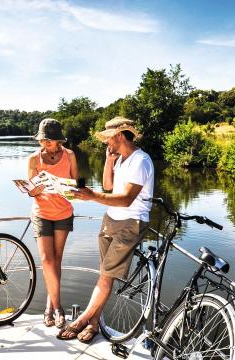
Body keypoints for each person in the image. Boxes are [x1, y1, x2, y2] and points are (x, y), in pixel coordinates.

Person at [58, 116, 154, 343]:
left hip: (131, 222)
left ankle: (82, 319)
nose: (105, 143)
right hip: (110, 219)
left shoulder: (141, 161)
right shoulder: (122, 159)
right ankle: (93, 325)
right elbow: (109, 187)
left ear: (119, 135)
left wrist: (91, 196)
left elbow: (126, 200)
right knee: (105, 276)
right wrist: (108, 161)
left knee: (105, 276)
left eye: (108, 139)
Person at [27, 118, 78, 329]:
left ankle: (50, 304)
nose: (44, 144)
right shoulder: (33, 159)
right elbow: (31, 190)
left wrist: (68, 188)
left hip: (63, 212)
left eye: (48, 141)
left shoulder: (70, 155)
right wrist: (34, 189)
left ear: (58, 141)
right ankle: (57, 308)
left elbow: (77, 183)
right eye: (42, 140)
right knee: (47, 260)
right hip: (41, 213)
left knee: (56, 260)